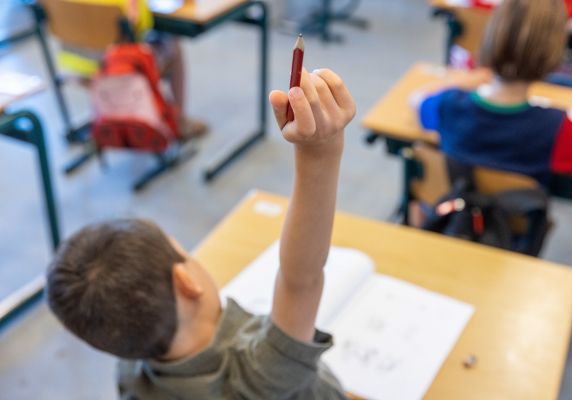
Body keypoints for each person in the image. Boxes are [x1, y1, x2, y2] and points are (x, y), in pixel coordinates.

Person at [46, 68, 356, 399]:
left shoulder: (131, 371)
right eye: (184, 252)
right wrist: (320, 153)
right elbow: (300, 280)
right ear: (185, 281)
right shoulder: (259, 376)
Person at [411, 0, 572, 188]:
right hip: (516, 216)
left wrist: (476, 77)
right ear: (552, 56)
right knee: (568, 85)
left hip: (461, 212)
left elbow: (417, 99)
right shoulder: (558, 129)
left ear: (487, 39)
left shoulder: (449, 105)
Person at [56, 0, 205, 138]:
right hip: (117, 70)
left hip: (74, 68)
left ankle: (106, 113)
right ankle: (180, 121)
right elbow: (136, 22)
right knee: (172, 43)